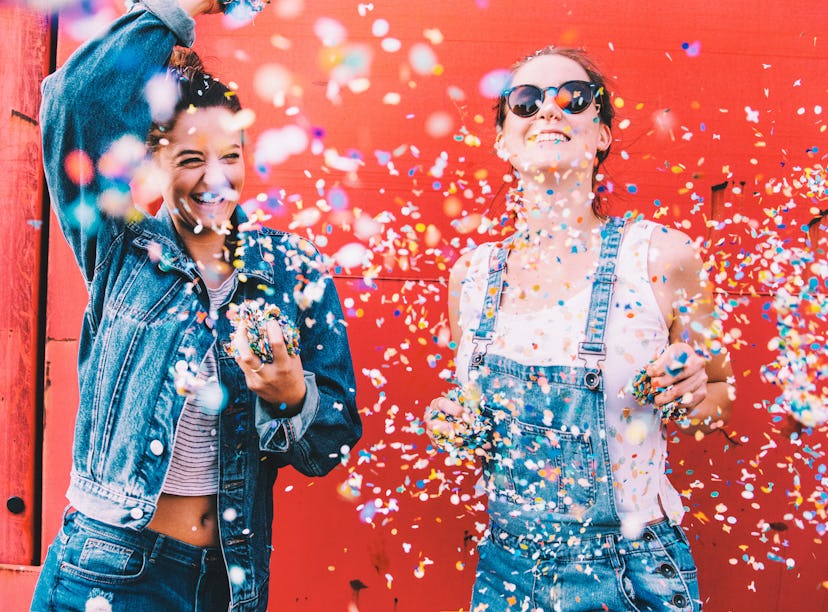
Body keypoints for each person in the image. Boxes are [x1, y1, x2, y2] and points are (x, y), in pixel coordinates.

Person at [31, 1, 361, 610]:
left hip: (228, 580)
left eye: (229, 156)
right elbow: (71, 105)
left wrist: (291, 395)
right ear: (154, 160)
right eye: (189, 159)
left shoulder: (292, 269)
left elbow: (335, 436)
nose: (215, 180)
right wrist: (176, 8)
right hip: (109, 573)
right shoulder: (121, 250)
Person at [425, 47, 734, 611]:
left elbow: (720, 395)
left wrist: (692, 391)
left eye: (573, 98)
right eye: (525, 102)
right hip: (505, 574)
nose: (548, 111)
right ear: (502, 141)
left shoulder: (661, 258)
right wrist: (453, 421)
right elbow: (479, 427)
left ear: (602, 135)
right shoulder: (471, 276)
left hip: (631, 573)